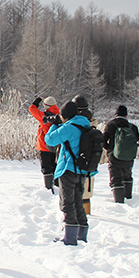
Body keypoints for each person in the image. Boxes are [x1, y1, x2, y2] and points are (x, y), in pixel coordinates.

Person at [44, 101, 90, 245]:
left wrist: (54, 125)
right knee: (78, 201)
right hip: (82, 170)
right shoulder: (84, 124)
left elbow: (50, 140)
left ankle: (70, 238)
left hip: (68, 169)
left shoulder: (69, 127)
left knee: (67, 203)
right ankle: (82, 234)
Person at [102, 105, 139, 203]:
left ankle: (119, 202)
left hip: (114, 156)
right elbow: (137, 141)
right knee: (127, 175)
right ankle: (128, 197)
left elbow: (103, 140)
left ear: (116, 114)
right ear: (126, 115)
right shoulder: (132, 127)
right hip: (129, 157)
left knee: (116, 177)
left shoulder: (111, 125)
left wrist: (109, 149)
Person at [29, 96, 60, 192]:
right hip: (56, 145)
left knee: (46, 167)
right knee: (55, 165)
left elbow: (32, 109)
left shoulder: (44, 116)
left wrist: (37, 100)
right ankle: (57, 185)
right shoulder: (59, 115)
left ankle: (48, 188)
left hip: (44, 145)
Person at [72, 95, 97, 214]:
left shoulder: (73, 121)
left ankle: (76, 218)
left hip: (74, 160)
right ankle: (87, 214)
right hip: (90, 159)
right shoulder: (92, 121)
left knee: (72, 192)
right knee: (86, 192)